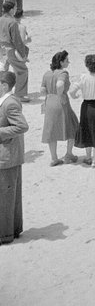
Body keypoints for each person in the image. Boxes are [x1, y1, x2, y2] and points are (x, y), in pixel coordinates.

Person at [0, 71, 28, 244]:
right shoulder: (8, 101)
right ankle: (14, 230)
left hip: (7, 156)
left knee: (5, 197)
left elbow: (22, 126)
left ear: (4, 85)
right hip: (11, 156)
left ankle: (5, 235)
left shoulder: (9, 103)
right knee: (11, 197)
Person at [41, 50, 79, 166]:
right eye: (67, 60)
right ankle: (68, 154)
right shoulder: (63, 73)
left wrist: (50, 95)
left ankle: (54, 158)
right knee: (72, 125)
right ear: (61, 62)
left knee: (51, 130)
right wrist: (60, 94)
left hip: (49, 102)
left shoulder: (47, 73)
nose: (69, 62)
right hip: (60, 102)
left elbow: (42, 90)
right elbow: (60, 84)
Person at [0, 1, 29, 102]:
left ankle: (3, 93)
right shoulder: (12, 22)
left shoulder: (0, 19)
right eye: (15, 8)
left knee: (4, 71)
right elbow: (17, 40)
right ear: (11, 9)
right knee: (22, 71)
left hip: (2, 49)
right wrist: (23, 54)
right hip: (10, 49)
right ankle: (19, 95)